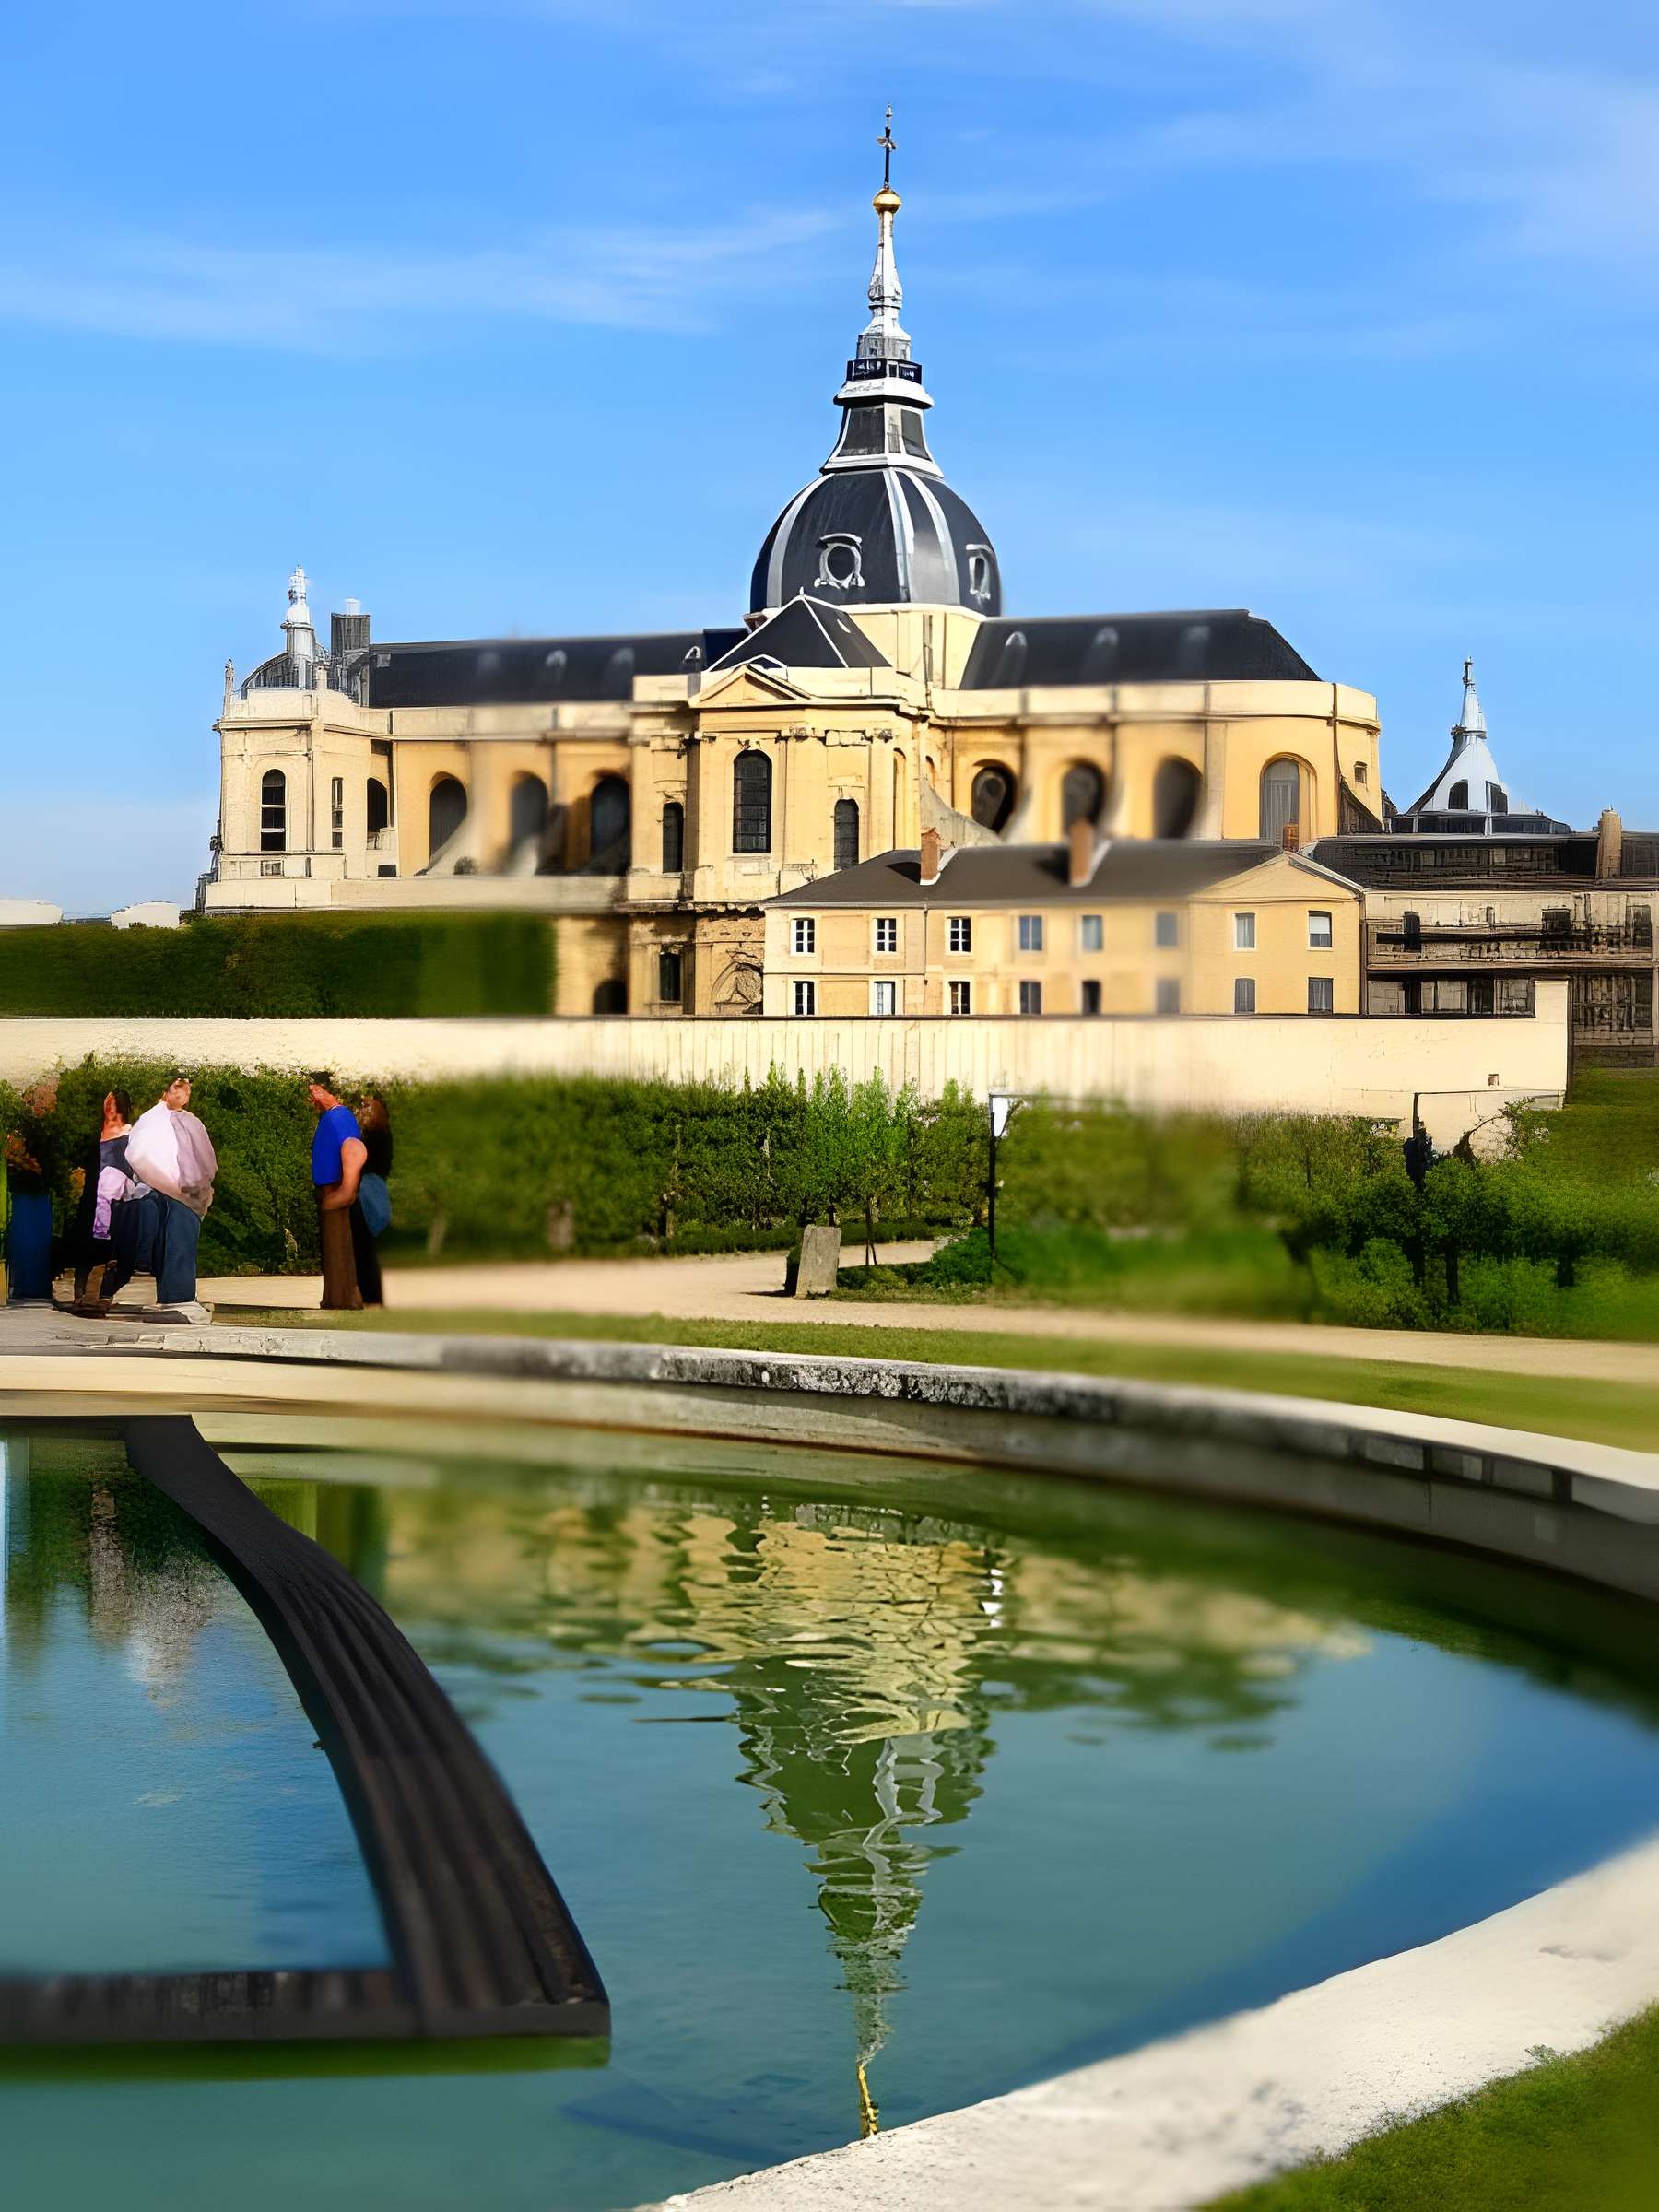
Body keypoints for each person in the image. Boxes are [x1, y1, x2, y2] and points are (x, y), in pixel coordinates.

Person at [109, 1074, 218, 1322]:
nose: (182, 1093)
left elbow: (207, 1158)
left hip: (191, 1192)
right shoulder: (152, 1119)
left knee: (180, 1241)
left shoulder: (192, 1121)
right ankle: (177, 1298)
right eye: (176, 1087)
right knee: (173, 1242)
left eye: (186, 1089)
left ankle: (177, 1296)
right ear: (164, 1089)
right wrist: (166, 1183)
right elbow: (138, 1155)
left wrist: (201, 1186)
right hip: (167, 1190)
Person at [70, 1088, 136, 1311]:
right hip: (91, 1197)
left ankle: (99, 1293)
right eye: (106, 1102)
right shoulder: (95, 1134)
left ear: (122, 1106)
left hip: (116, 1199)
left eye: (112, 1102)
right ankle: (80, 1293)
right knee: (84, 1243)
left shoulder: (131, 1134)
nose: (108, 1107)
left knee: (108, 1247)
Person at [309, 1073, 366, 1311]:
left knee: (339, 1246)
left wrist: (346, 1190)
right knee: (332, 1247)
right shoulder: (331, 1117)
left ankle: (345, 1298)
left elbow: (352, 1148)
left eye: (314, 1091)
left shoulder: (339, 1117)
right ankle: (334, 1297)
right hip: (329, 1190)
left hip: (335, 1191)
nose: (311, 1098)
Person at [350, 1091, 393, 1309]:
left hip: (368, 1193)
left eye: (367, 1107)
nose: (362, 1111)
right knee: (365, 1250)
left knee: (365, 1249)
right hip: (371, 1191)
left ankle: (371, 1298)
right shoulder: (379, 1134)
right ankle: (371, 1298)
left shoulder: (375, 1136)